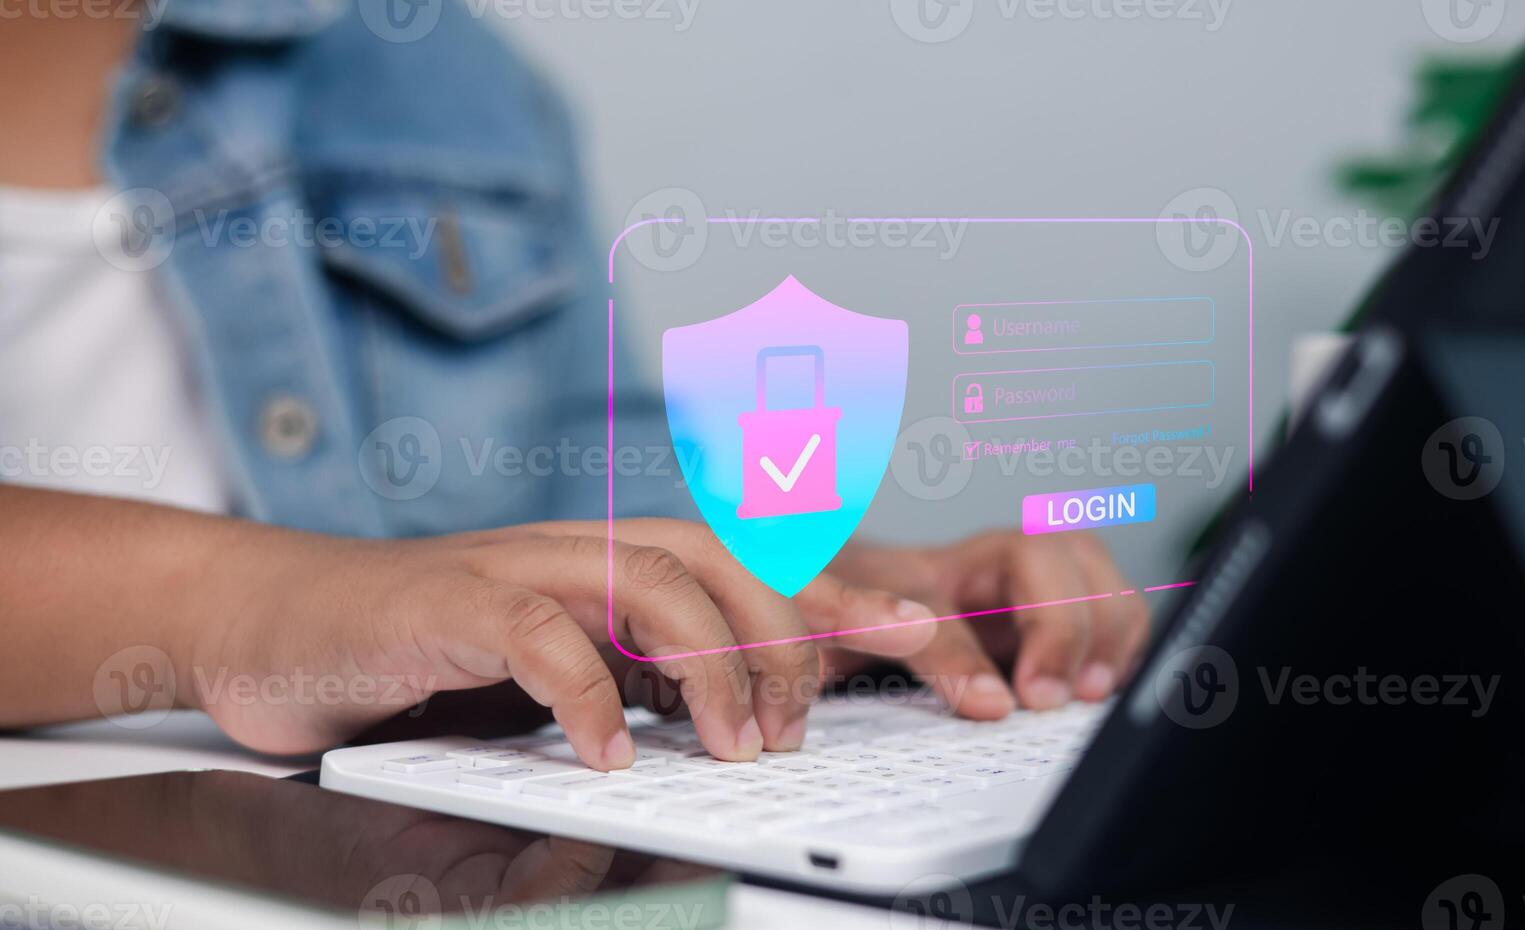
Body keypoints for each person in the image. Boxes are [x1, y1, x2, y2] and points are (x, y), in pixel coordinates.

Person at [0, 0, 1149, 771]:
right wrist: (242, 608)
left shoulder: (430, 67)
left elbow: (583, 488)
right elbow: (338, 592)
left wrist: (843, 589)